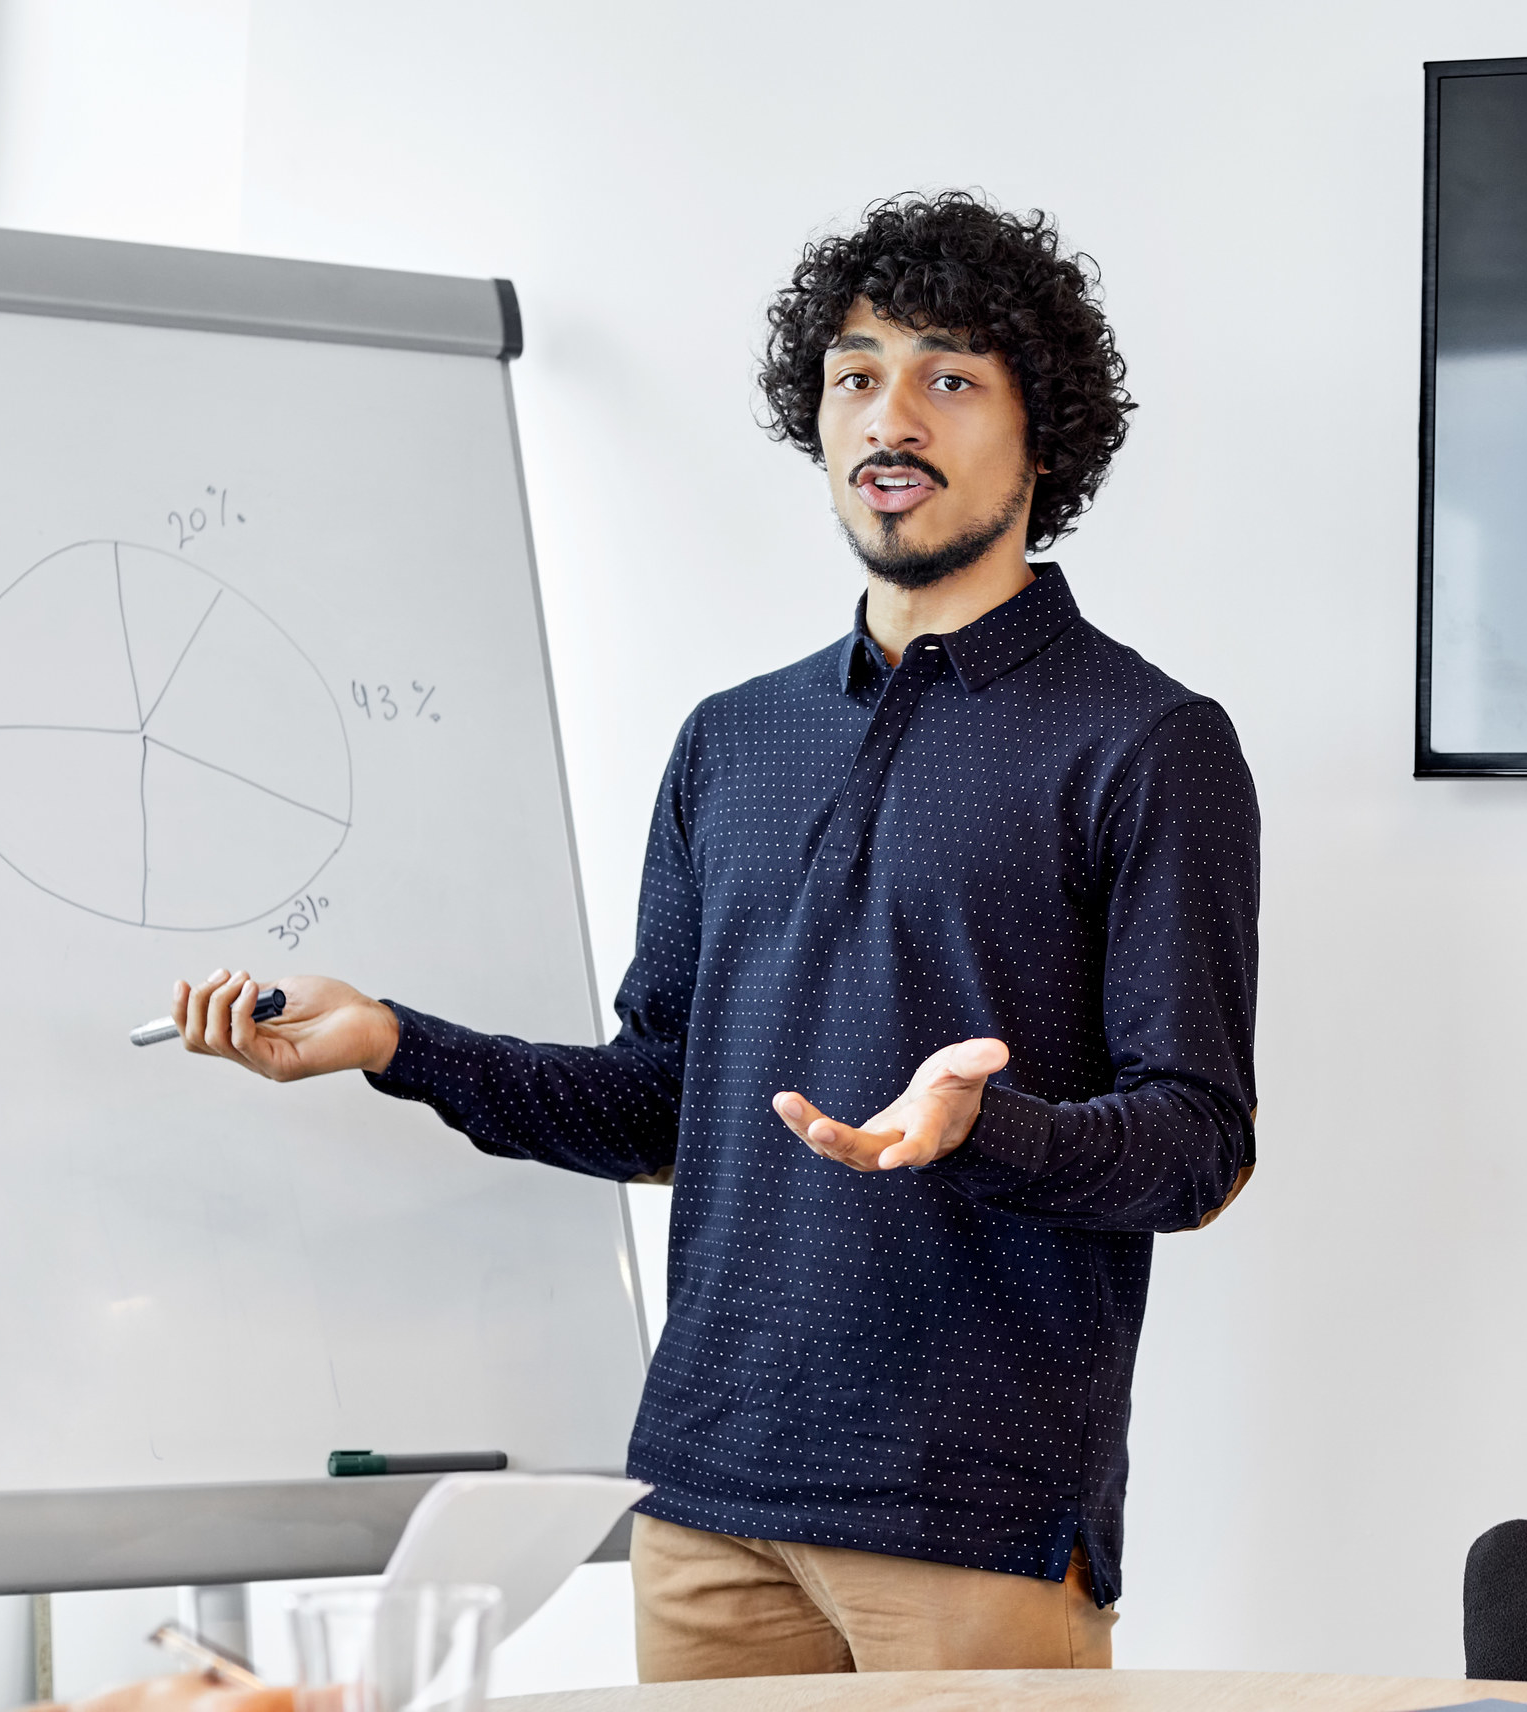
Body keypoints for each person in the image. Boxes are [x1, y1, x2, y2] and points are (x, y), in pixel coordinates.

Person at [164, 192, 1260, 1680]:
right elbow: (658, 1106)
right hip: (702, 1502)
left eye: (950, 377)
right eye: (855, 376)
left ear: (1042, 436)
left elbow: (1199, 1148)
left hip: (973, 1517)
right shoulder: (733, 744)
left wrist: (977, 1131)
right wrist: (395, 1043)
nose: (892, 415)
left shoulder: (1146, 743)